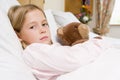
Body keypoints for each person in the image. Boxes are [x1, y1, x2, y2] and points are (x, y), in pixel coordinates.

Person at [8, 4, 111, 80]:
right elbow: (73, 59)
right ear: (18, 35)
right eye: (32, 27)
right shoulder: (33, 52)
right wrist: (97, 43)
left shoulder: (51, 47)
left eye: (44, 24)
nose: (42, 30)